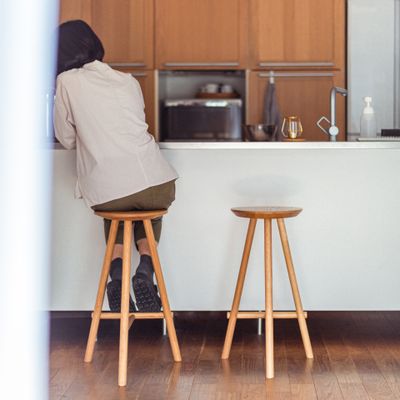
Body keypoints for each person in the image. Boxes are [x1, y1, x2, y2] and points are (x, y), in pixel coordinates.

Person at [54, 20, 178, 313]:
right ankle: (144, 270)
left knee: (117, 208)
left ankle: (118, 272)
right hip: (157, 181)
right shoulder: (127, 80)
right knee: (143, 209)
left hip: (110, 190)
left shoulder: (66, 82)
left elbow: (66, 138)